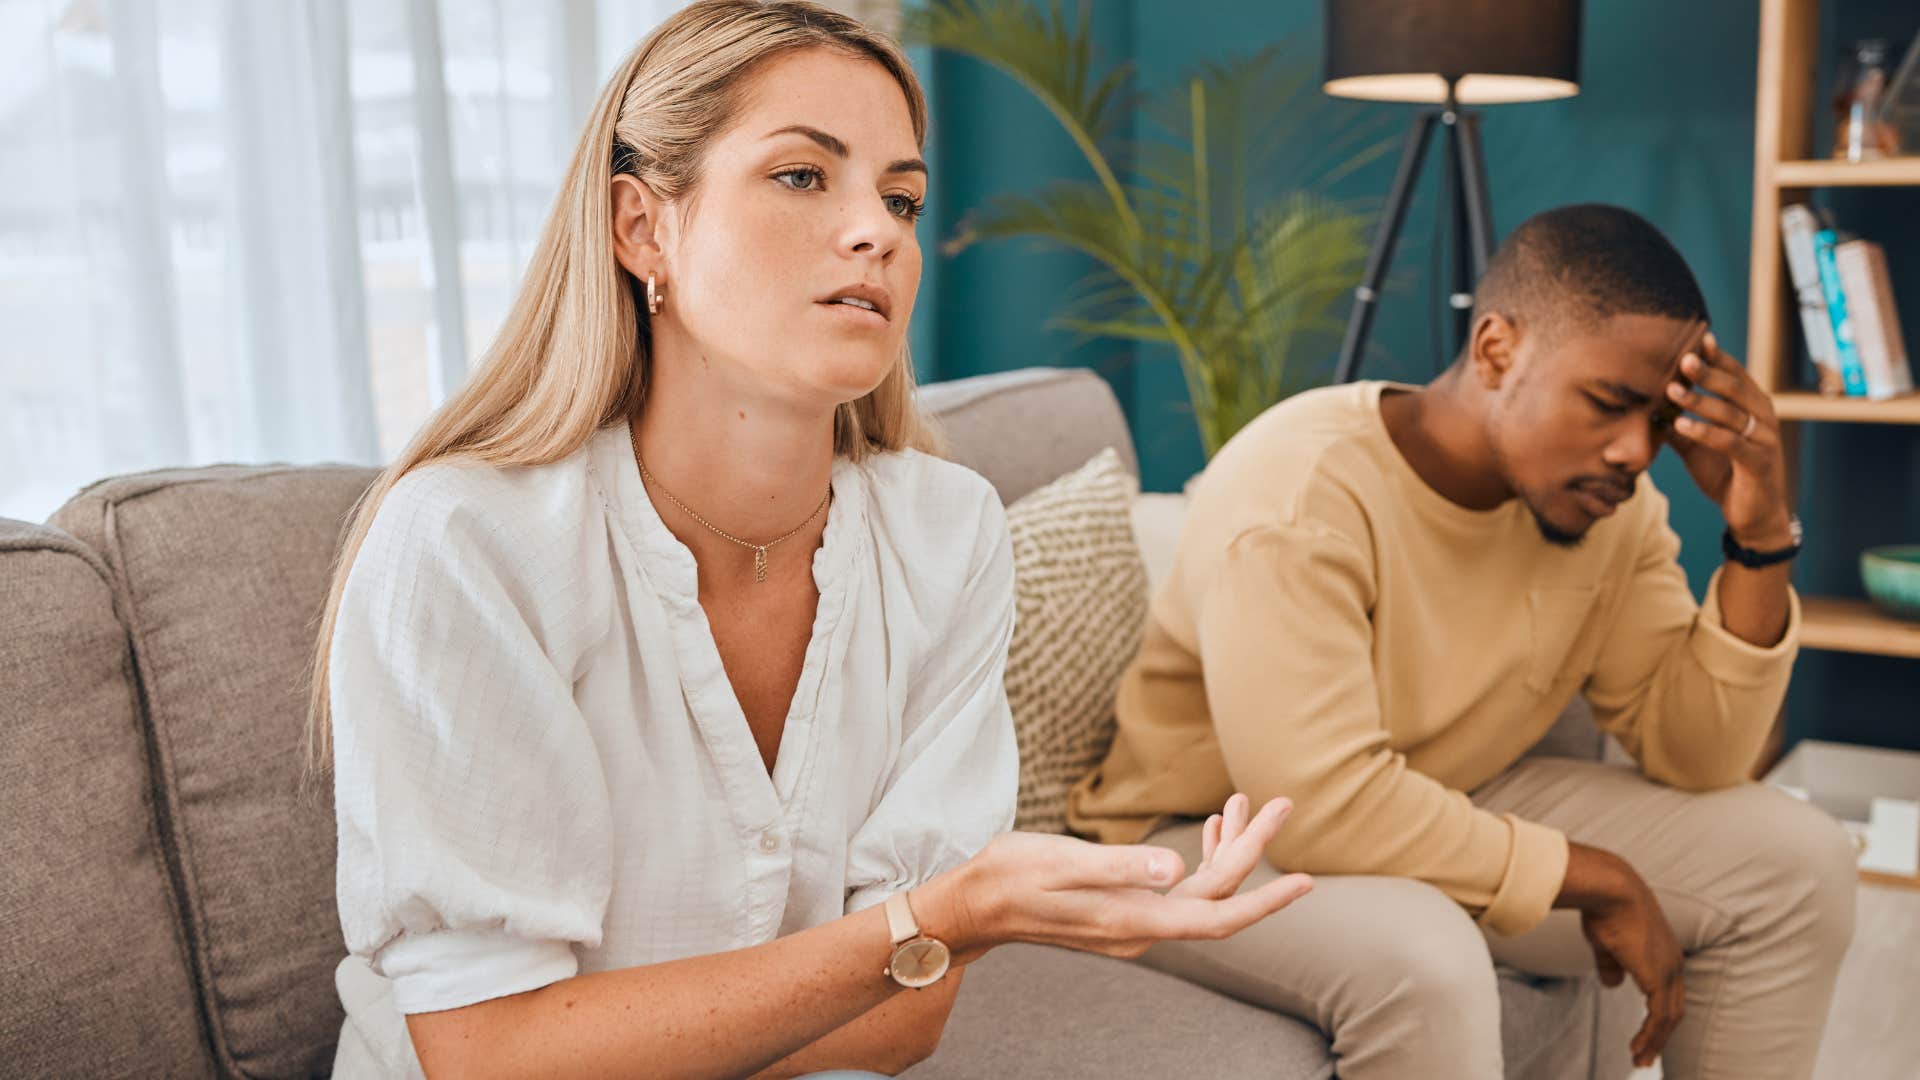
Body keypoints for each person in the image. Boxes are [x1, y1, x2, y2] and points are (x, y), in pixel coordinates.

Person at [307, 4, 1313, 1078]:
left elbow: (908, 1018)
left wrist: (924, 937)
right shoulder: (469, 541)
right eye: (801, 176)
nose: (876, 229)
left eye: (901, 196)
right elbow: (490, 1051)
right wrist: (934, 921)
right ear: (644, 227)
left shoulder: (949, 531)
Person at [1068, 204, 1858, 1079]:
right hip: (1199, 843)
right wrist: (1592, 874)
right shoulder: (1300, 493)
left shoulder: (1611, 508)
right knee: (1428, 958)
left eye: (1661, 423)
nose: (1637, 452)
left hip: (1442, 791)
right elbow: (1317, 807)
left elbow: (1699, 752)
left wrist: (1760, 534)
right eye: (1608, 403)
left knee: (1799, 862)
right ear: (1495, 351)